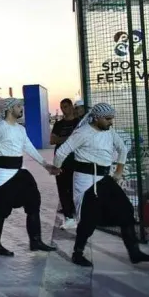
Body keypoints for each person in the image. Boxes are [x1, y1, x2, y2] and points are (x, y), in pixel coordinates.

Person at [53, 102, 149, 267]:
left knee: (126, 211)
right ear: (97, 118)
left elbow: (122, 149)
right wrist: (56, 168)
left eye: (111, 118)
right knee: (88, 218)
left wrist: (119, 172)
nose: (111, 122)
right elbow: (61, 152)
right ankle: (77, 254)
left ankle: (134, 253)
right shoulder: (82, 133)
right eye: (107, 119)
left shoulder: (109, 131)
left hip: (105, 179)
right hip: (87, 182)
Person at [0, 98, 59, 256]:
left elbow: (28, 147)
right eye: (18, 106)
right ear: (9, 109)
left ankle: (35, 241)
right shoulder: (0, 127)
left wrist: (45, 164)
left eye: (21, 106)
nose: (21, 109)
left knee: (33, 203)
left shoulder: (20, 129)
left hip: (20, 171)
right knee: (1, 210)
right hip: (3, 174)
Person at [50, 98, 80, 229]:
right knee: (63, 189)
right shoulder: (58, 124)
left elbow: (82, 139)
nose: (64, 109)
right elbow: (52, 140)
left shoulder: (79, 123)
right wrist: (71, 139)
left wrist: (61, 139)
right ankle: (68, 216)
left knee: (76, 188)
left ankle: (77, 214)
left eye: (66, 106)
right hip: (61, 162)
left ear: (72, 107)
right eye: (62, 107)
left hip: (77, 161)